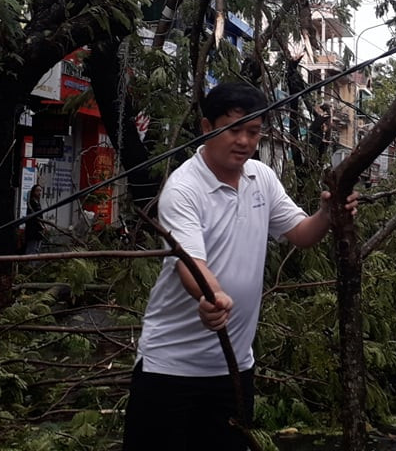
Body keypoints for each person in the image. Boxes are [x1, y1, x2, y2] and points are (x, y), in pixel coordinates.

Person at [122, 83, 359, 451]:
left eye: (254, 131)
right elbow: (191, 263)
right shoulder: (184, 188)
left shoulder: (260, 177)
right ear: (206, 127)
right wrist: (212, 296)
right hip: (170, 369)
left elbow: (300, 232)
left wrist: (330, 212)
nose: (245, 141)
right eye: (234, 129)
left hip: (234, 369)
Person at [24, 184, 45, 255]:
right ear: (33, 192)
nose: (39, 193)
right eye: (37, 191)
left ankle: (33, 265)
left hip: (38, 232)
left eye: (40, 191)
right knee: (31, 250)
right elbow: (34, 218)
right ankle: (29, 265)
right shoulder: (31, 203)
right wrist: (41, 225)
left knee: (36, 251)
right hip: (32, 231)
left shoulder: (38, 203)